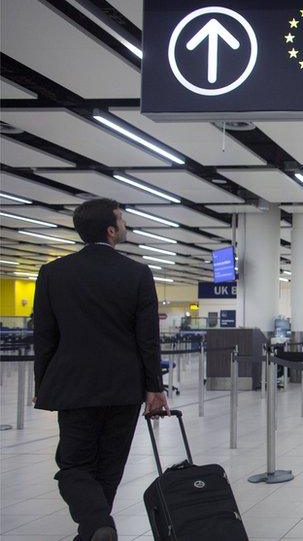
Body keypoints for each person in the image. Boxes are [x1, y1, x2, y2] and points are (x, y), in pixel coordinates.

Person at [33, 198, 169, 541]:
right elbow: (147, 338)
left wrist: (43, 382)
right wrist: (154, 387)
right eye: (121, 219)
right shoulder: (137, 273)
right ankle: (96, 528)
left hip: (74, 386)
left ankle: (97, 526)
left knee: (74, 466)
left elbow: (45, 336)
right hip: (124, 387)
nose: (125, 225)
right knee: (109, 467)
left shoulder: (53, 272)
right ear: (111, 230)